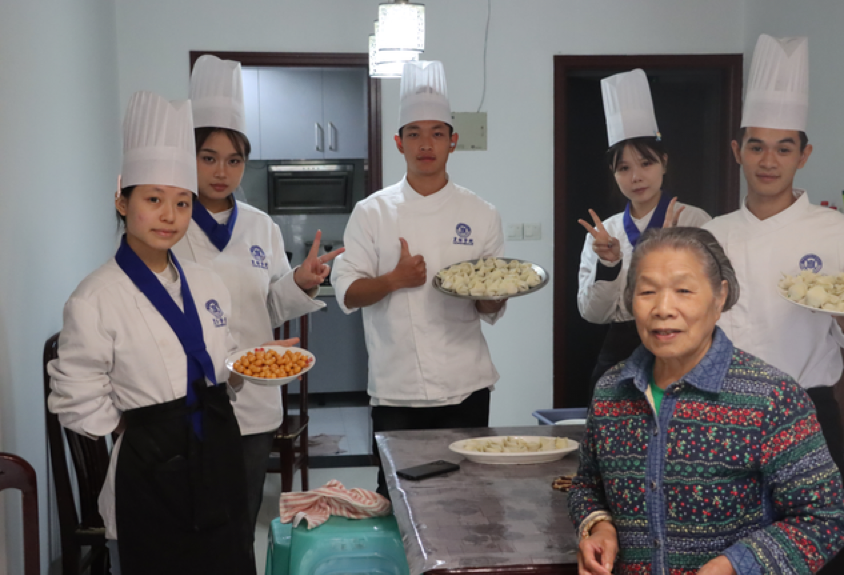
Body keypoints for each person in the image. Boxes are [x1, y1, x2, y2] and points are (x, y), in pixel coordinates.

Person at [47, 91, 296, 575]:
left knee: (228, 558)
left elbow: (221, 368)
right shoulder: (95, 296)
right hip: (149, 470)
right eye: (154, 199)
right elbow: (75, 397)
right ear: (122, 201)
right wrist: (137, 430)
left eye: (182, 203)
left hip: (217, 454)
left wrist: (252, 361)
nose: (169, 215)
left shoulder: (205, 283)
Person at [568, 227, 844, 575]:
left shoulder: (771, 397)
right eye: (647, 291)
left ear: (720, 298)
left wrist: (735, 565)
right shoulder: (612, 391)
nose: (663, 308)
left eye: (684, 290)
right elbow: (587, 486)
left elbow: (824, 519)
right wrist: (599, 526)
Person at [702, 36, 844, 574]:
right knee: (730, 549)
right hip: (726, 413)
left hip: (808, 412)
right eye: (756, 147)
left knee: (817, 551)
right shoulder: (712, 235)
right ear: (737, 151)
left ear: (804, 155)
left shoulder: (840, 233)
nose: (768, 161)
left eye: (784, 148)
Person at [172, 55, 340, 543]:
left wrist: (302, 280)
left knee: (240, 525)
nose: (222, 172)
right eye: (208, 157)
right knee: (190, 527)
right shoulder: (169, 224)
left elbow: (271, 307)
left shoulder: (260, 226)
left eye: (234, 160)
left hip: (253, 401)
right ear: (188, 156)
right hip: (186, 399)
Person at [330, 60, 505, 498]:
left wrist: (494, 294)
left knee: (468, 495)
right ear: (398, 143)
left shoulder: (481, 213)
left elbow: (491, 304)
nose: (426, 144)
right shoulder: (371, 212)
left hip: (466, 385)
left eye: (437, 133)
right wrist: (394, 279)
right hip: (397, 389)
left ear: (453, 142)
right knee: (396, 495)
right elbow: (347, 291)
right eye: (414, 134)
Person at [578, 69, 711, 396]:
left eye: (646, 164)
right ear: (613, 174)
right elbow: (592, 314)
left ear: (664, 162)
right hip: (620, 350)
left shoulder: (695, 221)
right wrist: (609, 265)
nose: (636, 177)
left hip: (682, 346)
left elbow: (713, 300)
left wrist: (670, 254)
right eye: (624, 168)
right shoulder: (604, 232)